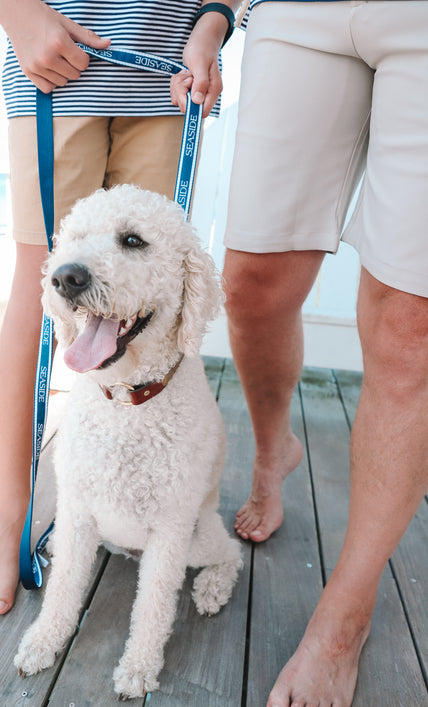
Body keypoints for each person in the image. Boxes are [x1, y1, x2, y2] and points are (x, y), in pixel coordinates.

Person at [172, 1, 428, 706]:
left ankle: (344, 622)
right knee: (251, 287)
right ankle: (270, 451)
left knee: (411, 323)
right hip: (298, 11)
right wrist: (216, 17)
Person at [0, 0, 231, 617]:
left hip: (169, 79)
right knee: (42, 289)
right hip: (53, 63)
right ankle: (10, 516)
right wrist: (17, 15)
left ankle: (137, 503)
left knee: (140, 308)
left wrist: (213, 23)